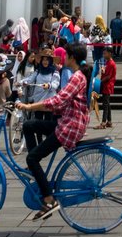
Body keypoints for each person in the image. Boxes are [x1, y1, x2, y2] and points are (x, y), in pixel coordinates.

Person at [18, 42, 93, 219]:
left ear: (73, 58)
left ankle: (49, 199)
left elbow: (58, 101)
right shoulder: (78, 75)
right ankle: (34, 168)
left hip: (70, 127)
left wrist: (30, 106)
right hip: (67, 121)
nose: (63, 58)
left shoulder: (77, 77)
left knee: (32, 157)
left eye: (66, 55)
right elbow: (63, 103)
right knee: (28, 126)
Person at [96, 47, 117, 129]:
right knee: (107, 104)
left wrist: (99, 82)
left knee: (105, 104)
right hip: (106, 85)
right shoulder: (108, 62)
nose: (104, 55)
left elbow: (108, 76)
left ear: (110, 54)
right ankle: (109, 121)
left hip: (108, 85)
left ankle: (103, 122)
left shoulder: (111, 63)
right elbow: (106, 73)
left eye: (105, 53)